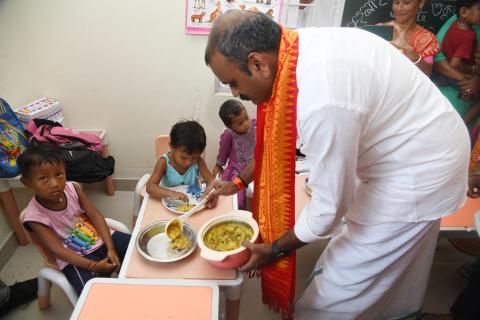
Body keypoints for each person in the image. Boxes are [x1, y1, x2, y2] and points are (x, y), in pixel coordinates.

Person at [204, 10, 470, 319]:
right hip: (413, 150)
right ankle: (398, 312)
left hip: (419, 170)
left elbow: (329, 209)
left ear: (257, 63)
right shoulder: (294, 50)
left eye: (233, 83)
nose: (237, 94)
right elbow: (276, 145)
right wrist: (236, 183)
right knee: (390, 263)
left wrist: (275, 249)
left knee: (339, 289)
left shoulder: (320, 98)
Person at [18, 145, 131, 295]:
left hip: (98, 238)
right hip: (75, 258)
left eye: (59, 174)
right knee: (91, 293)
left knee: (136, 251)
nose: (54, 183)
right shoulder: (35, 217)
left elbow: (95, 215)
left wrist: (110, 248)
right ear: (27, 183)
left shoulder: (73, 188)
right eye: (43, 178)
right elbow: (57, 251)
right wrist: (93, 266)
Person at [146, 120, 214, 202]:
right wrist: (171, 194)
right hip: (168, 200)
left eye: (194, 158)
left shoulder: (199, 161)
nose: (188, 163)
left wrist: (211, 194)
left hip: (192, 200)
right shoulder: (164, 162)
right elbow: (150, 187)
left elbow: (210, 181)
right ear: (171, 146)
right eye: (183, 158)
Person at [212, 99, 256, 209]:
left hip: (254, 168)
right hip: (236, 172)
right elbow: (222, 155)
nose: (246, 124)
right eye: (240, 123)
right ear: (230, 126)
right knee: (238, 203)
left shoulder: (255, 125)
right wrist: (218, 166)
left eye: (246, 118)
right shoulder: (228, 135)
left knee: (255, 199)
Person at [378, 0, 439, 76]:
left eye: (406, 3)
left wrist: (413, 55)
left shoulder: (427, 38)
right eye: (396, 3)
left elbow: (427, 73)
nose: (399, 8)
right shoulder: (379, 30)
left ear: (421, 3)